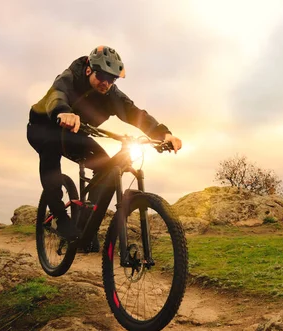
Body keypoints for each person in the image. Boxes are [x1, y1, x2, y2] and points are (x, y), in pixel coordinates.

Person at [27, 45, 182, 252]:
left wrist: (164, 134)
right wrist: (63, 111)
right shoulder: (70, 76)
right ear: (90, 69)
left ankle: (86, 226)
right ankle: (61, 218)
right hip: (43, 126)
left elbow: (134, 112)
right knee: (50, 152)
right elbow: (58, 94)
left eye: (112, 79)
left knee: (106, 167)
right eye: (102, 76)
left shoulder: (111, 94)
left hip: (74, 133)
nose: (106, 83)